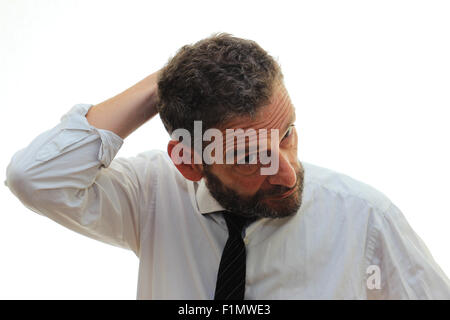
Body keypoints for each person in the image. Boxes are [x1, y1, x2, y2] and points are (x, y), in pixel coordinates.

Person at [5, 33, 450, 299]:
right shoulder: (151, 195)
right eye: (251, 157)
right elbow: (36, 178)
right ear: (191, 165)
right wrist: (167, 80)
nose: (288, 172)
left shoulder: (366, 218)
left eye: (287, 134)